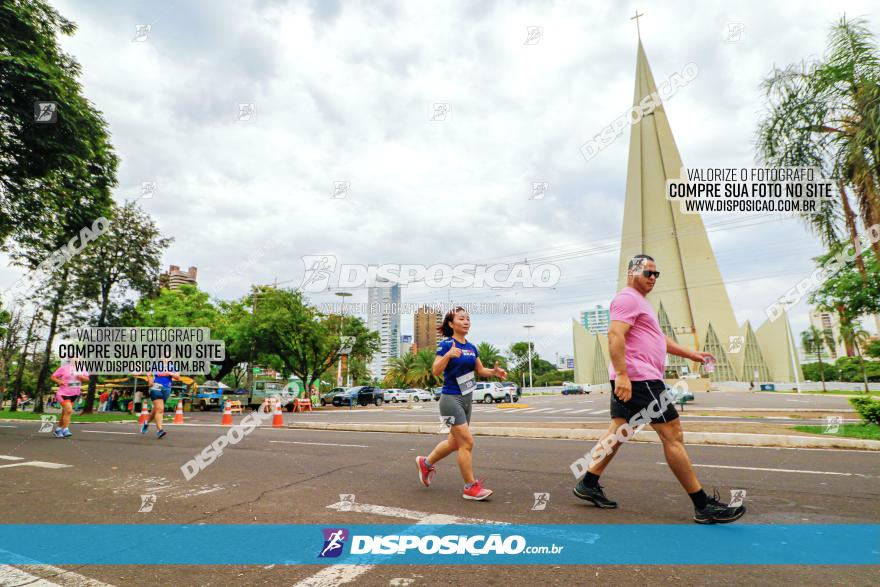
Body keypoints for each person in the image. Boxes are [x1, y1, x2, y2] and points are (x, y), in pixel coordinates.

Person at [572, 254, 746, 524]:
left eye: (656, 274)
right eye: (648, 273)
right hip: (640, 378)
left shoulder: (642, 303)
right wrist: (622, 375)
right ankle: (703, 506)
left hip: (637, 377)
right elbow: (615, 335)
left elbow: (658, 339)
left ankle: (589, 482)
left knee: (619, 431)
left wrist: (691, 354)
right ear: (632, 273)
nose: (653, 278)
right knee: (673, 435)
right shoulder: (627, 298)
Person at [416, 307, 507, 501]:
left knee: (453, 443)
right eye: (461, 319)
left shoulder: (472, 347)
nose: (466, 322)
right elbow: (435, 370)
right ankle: (470, 487)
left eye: (468, 319)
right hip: (450, 400)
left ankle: (426, 462)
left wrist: (494, 372)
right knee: (467, 442)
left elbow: (480, 370)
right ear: (451, 324)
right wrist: (449, 355)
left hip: (467, 399)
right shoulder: (446, 344)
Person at [50, 359, 89, 438]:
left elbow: (87, 379)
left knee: (65, 413)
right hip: (63, 393)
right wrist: (59, 381)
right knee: (69, 410)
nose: (76, 359)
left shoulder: (82, 368)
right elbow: (53, 377)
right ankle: (65, 429)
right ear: (71, 359)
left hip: (74, 394)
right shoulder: (64, 368)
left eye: (78, 358)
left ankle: (58, 430)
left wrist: (81, 377)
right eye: (74, 357)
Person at [142, 362, 180, 439]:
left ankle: (146, 423)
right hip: (156, 388)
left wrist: (169, 373)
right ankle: (160, 430)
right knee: (160, 409)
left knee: (156, 409)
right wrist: (149, 378)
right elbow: (149, 377)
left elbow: (178, 377)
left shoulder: (173, 366)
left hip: (167, 390)